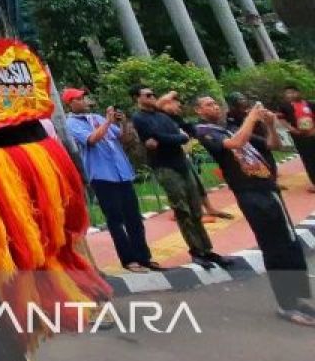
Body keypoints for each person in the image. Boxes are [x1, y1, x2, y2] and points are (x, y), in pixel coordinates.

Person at [194, 96, 315, 326]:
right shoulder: (204, 131)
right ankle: (286, 304)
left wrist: (269, 124)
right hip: (250, 194)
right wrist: (252, 116)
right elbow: (236, 144)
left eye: (215, 103)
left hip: (268, 188)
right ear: (198, 110)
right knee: (274, 247)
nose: (215, 107)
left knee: (289, 244)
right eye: (208, 104)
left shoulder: (230, 128)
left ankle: (297, 298)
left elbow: (273, 146)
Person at [130, 85, 229, 269]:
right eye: (148, 95)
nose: (153, 97)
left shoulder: (163, 115)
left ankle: (206, 249)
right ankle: (196, 251)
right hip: (165, 167)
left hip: (182, 163)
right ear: (137, 98)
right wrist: (179, 138)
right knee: (182, 210)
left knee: (195, 208)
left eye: (154, 94)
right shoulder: (139, 118)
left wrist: (176, 136)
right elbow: (155, 138)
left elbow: (185, 129)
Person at [63, 87, 160, 273]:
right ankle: (128, 260)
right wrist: (107, 121)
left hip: (122, 173)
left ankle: (144, 257)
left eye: (84, 97)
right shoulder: (72, 123)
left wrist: (122, 124)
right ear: (71, 104)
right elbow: (91, 139)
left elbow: (122, 139)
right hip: (102, 176)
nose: (84, 101)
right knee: (115, 220)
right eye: (79, 98)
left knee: (134, 218)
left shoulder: (97, 118)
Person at [157, 91, 233, 222]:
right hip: (167, 161)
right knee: (178, 188)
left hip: (181, 155)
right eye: (175, 104)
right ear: (167, 105)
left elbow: (190, 131)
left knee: (197, 183)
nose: (178, 106)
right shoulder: (159, 118)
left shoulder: (176, 118)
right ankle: (186, 214)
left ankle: (209, 209)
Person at [277, 85, 315, 193]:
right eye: (287, 93)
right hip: (300, 137)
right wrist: (293, 130)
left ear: (298, 92)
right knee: (308, 159)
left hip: (313, 134)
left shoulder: (310, 104)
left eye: (292, 92)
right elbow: (282, 120)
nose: (290, 95)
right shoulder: (284, 107)